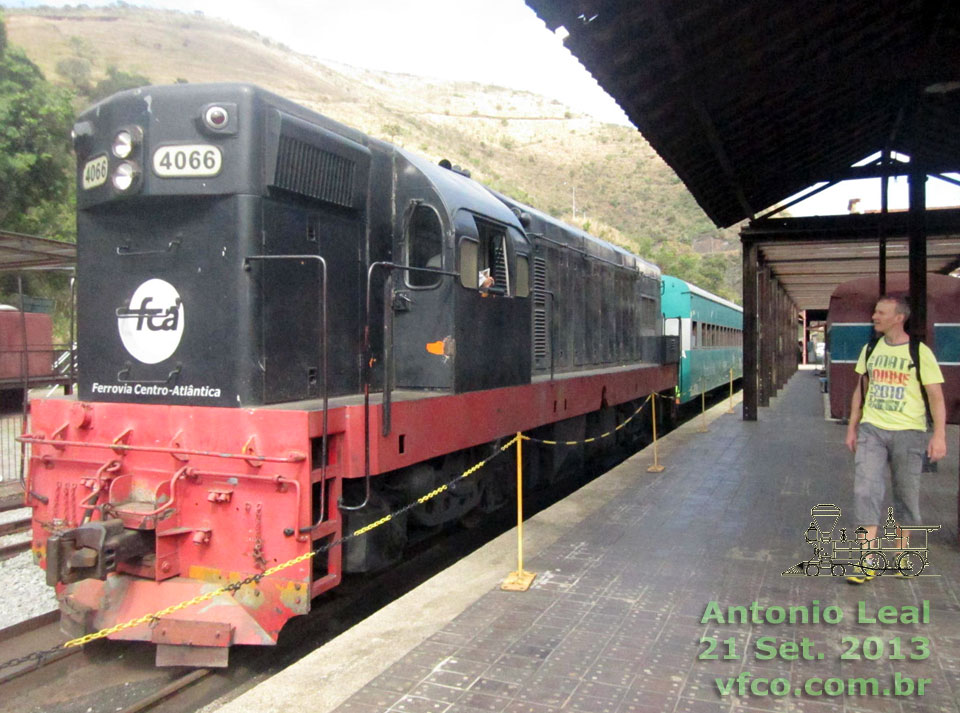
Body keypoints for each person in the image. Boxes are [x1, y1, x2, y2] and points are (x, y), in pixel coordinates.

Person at [844, 295, 947, 584]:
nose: (874, 316)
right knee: (865, 491)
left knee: (905, 494)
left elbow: (936, 396)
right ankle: (866, 561)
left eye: (881, 312)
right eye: (875, 311)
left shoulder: (919, 352)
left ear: (898, 317)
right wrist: (852, 426)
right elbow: (860, 389)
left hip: (909, 432)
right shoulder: (871, 348)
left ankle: (903, 556)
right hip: (872, 429)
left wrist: (939, 435)